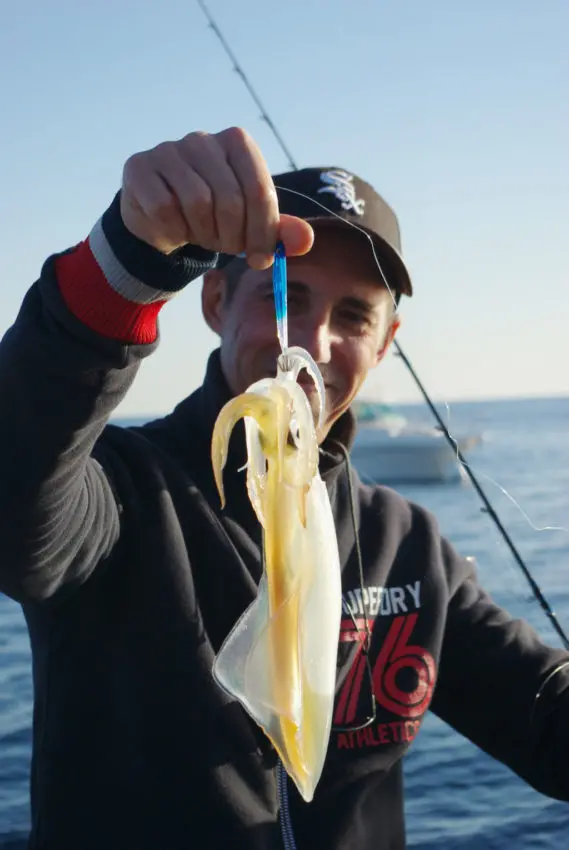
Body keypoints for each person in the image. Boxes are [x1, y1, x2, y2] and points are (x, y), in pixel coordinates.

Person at [1, 127, 568, 850]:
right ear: (215, 302)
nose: (313, 342)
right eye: (286, 297)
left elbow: (545, 719)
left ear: (384, 343)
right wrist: (126, 261)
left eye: (354, 315)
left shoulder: (408, 547)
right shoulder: (117, 495)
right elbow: (18, 505)